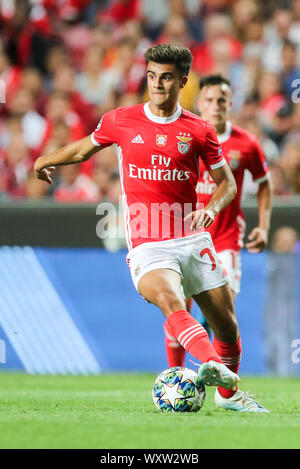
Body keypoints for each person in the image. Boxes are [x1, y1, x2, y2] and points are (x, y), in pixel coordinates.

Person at [34, 44, 269, 412]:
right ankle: (209, 364)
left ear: (183, 81)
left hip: (192, 238)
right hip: (148, 243)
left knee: (228, 328)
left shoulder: (200, 129)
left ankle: (229, 396)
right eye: (152, 76)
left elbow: (227, 184)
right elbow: (82, 151)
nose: (157, 84)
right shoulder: (120, 120)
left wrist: (211, 208)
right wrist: (44, 160)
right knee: (171, 302)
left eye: (166, 77)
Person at [163, 74, 272, 397]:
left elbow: (264, 184)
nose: (215, 106)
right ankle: (175, 375)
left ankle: (215, 379)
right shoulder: (184, 136)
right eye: (209, 100)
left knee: (224, 313)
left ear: (230, 104)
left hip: (224, 241)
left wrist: (263, 225)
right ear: (199, 103)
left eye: (221, 101)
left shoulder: (246, 144)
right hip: (182, 238)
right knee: (177, 309)